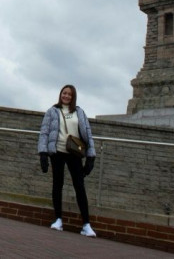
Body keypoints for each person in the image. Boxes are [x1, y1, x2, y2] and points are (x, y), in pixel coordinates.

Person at [38, 84, 97, 237]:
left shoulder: (79, 112)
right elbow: (44, 132)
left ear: (73, 96)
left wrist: (91, 156)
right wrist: (43, 153)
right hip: (57, 151)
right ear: (60, 94)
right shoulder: (52, 111)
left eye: (69, 94)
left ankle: (86, 224)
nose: (66, 96)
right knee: (57, 184)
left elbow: (88, 134)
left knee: (79, 186)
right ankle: (58, 219)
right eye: (64, 93)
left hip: (74, 153)